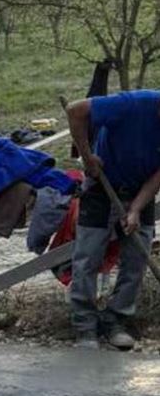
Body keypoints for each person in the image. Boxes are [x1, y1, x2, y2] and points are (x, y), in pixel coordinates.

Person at [66, 91, 160, 350]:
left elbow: (158, 176)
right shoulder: (133, 104)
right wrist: (87, 157)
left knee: (136, 260)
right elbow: (75, 110)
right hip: (102, 185)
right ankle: (85, 327)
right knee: (88, 258)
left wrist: (136, 210)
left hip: (141, 188)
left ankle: (115, 321)